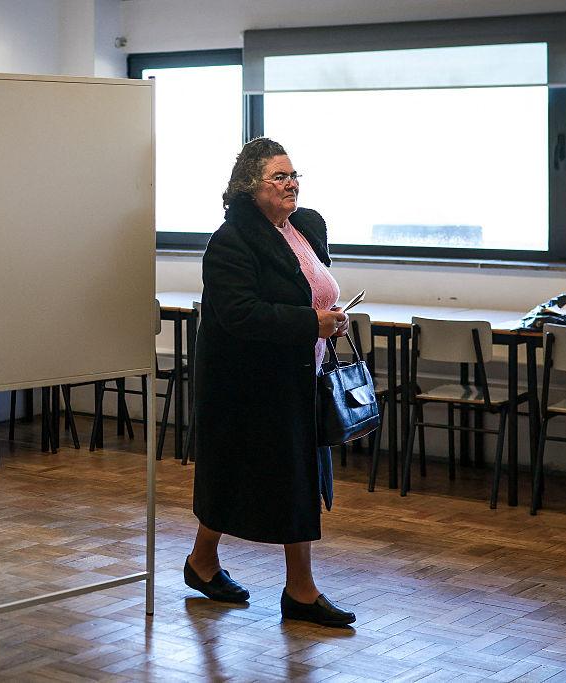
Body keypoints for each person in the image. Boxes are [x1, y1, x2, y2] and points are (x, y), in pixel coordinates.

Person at [185, 137, 356, 627]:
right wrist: (311, 324)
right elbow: (241, 315)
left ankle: (205, 564)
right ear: (248, 187)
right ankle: (297, 591)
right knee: (261, 478)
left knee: (288, 478)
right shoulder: (230, 241)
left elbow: (310, 288)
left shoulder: (302, 226)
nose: (291, 184)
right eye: (279, 177)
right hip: (246, 384)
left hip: (299, 374)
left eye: (294, 174)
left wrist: (330, 321)